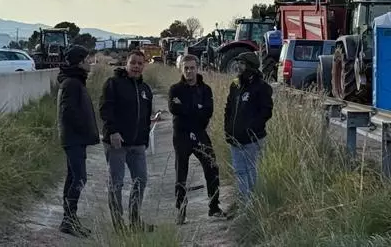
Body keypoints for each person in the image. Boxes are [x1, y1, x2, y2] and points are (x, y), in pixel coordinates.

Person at [99, 50, 154, 232]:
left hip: (137, 144)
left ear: (144, 65)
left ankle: (135, 220)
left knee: (141, 180)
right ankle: (118, 224)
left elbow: (145, 116)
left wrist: (145, 138)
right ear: (126, 63)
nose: (137, 67)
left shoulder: (145, 89)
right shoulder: (113, 84)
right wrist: (113, 131)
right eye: (133, 63)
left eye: (140, 63)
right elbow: (106, 110)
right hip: (117, 143)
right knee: (117, 183)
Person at [168, 54, 226, 225]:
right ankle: (181, 211)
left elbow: (208, 112)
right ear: (181, 69)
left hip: (200, 133)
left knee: (212, 167)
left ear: (197, 68)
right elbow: (174, 108)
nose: (189, 71)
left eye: (192, 68)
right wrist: (196, 109)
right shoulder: (175, 89)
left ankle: (214, 207)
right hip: (181, 135)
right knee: (181, 173)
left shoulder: (205, 90)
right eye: (186, 68)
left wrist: (188, 109)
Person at [57, 44, 100, 237]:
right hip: (73, 139)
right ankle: (69, 220)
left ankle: (69, 220)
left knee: (72, 177)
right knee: (80, 178)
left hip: (74, 139)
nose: (90, 63)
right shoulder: (72, 83)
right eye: (87, 60)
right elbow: (70, 113)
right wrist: (84, 129)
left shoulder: (74, 81)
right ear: (80, 62)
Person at [224, 50, 273, 209]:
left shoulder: (262, 87)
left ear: (251, 67)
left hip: (252, 139)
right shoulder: (235, 85)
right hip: (235, 138)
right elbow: (228, 108)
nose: (238, 66)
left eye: (242, 63)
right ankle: (244, 203)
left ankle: (252, 205)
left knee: (250, 172)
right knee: (239, 171)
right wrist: (228, 129)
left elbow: (266, 112)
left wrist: (251, 129)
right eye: (238, 63)